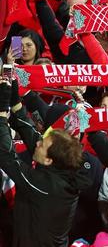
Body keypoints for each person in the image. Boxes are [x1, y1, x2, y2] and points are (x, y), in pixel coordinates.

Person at [0, 81, 89, 246]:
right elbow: (31, 134)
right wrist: (15, 101)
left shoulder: (49, 186)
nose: (38, 143)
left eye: (42, 144)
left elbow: (6, 156)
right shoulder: (60, 165)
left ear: (49, 160)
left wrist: (1, 113)